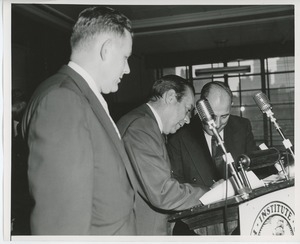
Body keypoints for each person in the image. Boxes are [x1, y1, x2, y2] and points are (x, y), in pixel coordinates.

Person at [21, 6, 137, 235]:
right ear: (107, 50)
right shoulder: (62, 100)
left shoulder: (76, 95)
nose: (128, 69)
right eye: (125, 58)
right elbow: (60, 227)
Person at [117, 75, 209, 235]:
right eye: (187, 110)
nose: (187, 120)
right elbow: (163, 193)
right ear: (170, 97)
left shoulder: (147, 125)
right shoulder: (141, 127)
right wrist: (209, 193)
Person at [167, 81, 257, 235]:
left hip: (240, 219)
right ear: (200, 107)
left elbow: (255, 169)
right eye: (212, 116)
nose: (216, 124)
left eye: (224, 116)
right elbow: (175, 184)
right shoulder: (179, 133)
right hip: (195, 224)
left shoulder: (242, 127)